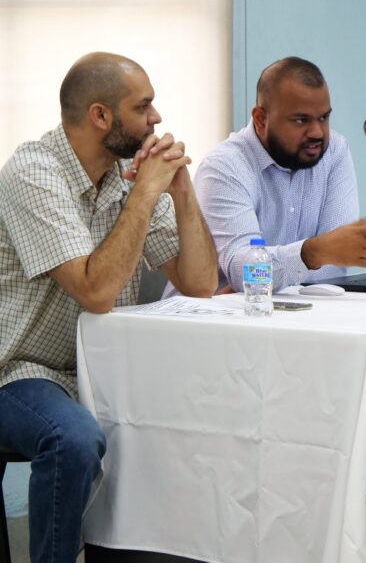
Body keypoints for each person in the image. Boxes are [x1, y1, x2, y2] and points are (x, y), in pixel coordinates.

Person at [0, 52, 217, 563]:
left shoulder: (126, 175)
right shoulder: (33, 172)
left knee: (194, 417)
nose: (156, 118)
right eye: (143, 107)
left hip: (103, 371)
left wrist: (181, 192)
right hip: (19, 371)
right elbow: (95, 291)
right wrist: (144, 193)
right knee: (72, 439)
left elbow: (200, 284)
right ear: (101, 116)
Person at [188, 56, 366, 294]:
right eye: (301, 120)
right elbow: (244, 272)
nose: (317, 132)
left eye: (324, 118)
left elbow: (334, 263)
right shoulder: (224, 167)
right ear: (260, 119)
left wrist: (310, 258)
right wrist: (311, 253)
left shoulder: (334, 151)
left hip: (297, 310)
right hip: (217, 315)